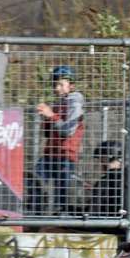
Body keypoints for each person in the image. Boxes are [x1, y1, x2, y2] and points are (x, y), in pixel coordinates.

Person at [34, 65, 86, 216]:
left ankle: (61, 218)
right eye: (55, 84)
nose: (57, 88)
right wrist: (47, 118)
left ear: (71, 85)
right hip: (50, 153)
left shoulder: (74, 103)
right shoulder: (59, 103)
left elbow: (67, 131)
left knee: (61, 192)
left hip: (65, 155)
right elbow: (48, 134)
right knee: (36, 179)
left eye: (61, 84)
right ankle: (37, 214)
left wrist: (51, 116)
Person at [82, 140, 125, 220]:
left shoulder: (105, 181)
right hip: (118, 220)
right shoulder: (126, 178)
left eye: (101, 160)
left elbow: (93, 213)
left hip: (108, 224)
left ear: (107, 158)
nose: (100, 163)